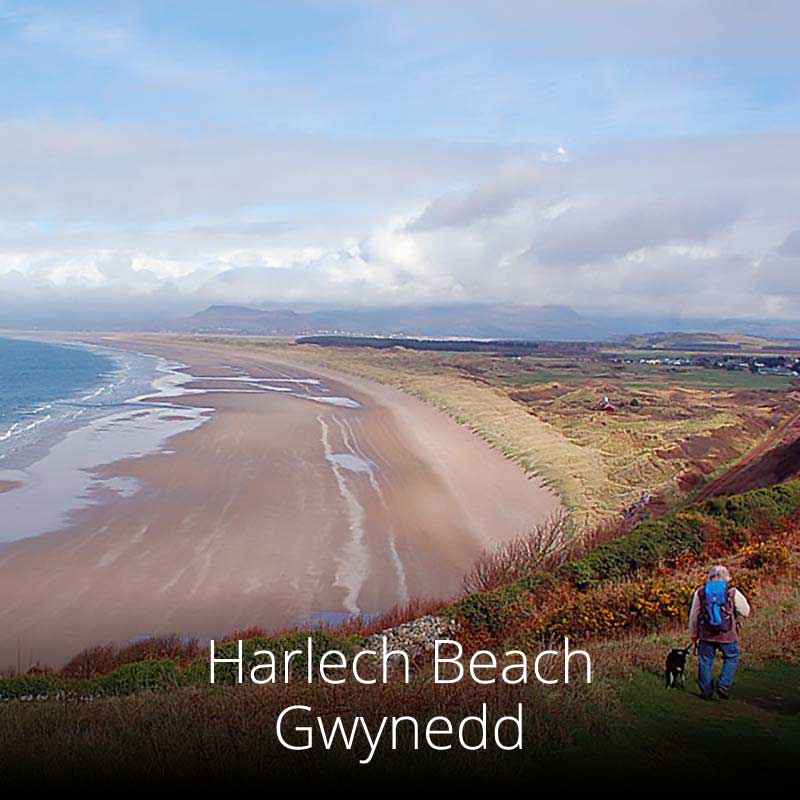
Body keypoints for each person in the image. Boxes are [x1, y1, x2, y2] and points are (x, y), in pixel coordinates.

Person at [689, 564, 751, 699]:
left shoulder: (701, 591)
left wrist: (693, 634)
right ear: (727, 577)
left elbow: (694, 614)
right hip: (727, 634)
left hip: (706, 634)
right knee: (731, 658)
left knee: (705, 660)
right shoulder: (732, 591)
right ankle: (723, 685)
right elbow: (746, 611)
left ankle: (706, 692)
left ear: (710, 577)